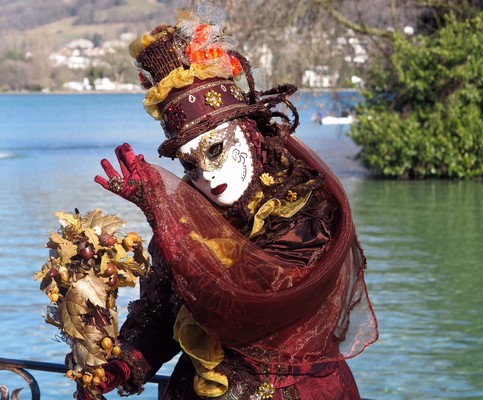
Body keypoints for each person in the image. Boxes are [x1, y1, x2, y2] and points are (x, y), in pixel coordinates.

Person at [72, 3, 378, 399]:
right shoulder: (187, 221)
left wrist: (161, 216)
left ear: (249, 133)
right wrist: (120, 366)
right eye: (190, 164)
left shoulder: (310, 209)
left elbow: (252, 301)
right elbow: (162, 315)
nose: (209, 176)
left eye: (216, 150)